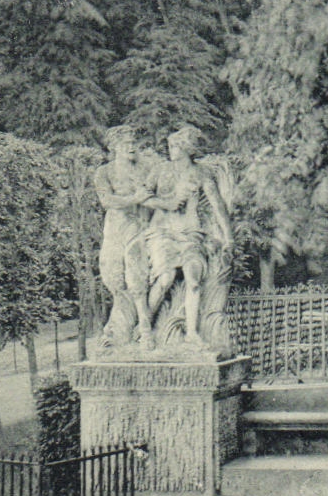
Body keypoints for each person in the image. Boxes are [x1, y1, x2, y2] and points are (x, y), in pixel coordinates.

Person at [142, 126, 233, 349]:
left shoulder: (201, 173)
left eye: (176, 146)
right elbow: (142, 197)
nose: (171, 149)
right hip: (162, 232)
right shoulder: (160, 170)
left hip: (191, 234)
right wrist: (167, 203)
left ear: (188, 149)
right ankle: (144, 327)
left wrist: (229, 238)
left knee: (193, 277)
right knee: (165, 279)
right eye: (171, 145)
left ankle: (192, 334)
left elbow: (217, 205)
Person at [93, 126, 154, 347]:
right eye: (125, 144)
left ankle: (145, 328)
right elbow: (107, 201)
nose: (131, 147)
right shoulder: (105, 172)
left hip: (138, 226)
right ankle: (120, 326)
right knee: (112, 276)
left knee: (136, 275)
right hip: (114, 229)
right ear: (114, 147)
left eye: (133, 142)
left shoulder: (146, 168)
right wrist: (134, 198)